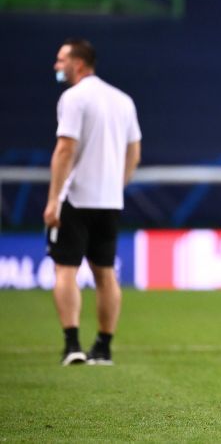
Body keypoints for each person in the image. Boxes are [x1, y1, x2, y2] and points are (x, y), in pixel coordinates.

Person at [44, 38, 142, 366]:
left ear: (79, 64)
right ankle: (103, 347)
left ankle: (72, 344)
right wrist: (118, 184)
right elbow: (134, 152)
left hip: (75, 197)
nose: (57, 66)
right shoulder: (123, 100)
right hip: (109, 200)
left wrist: (53, 199)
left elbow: (65, 149)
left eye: (61, 60)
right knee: (105, 274)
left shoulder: (73, 98)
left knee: (65, 270)